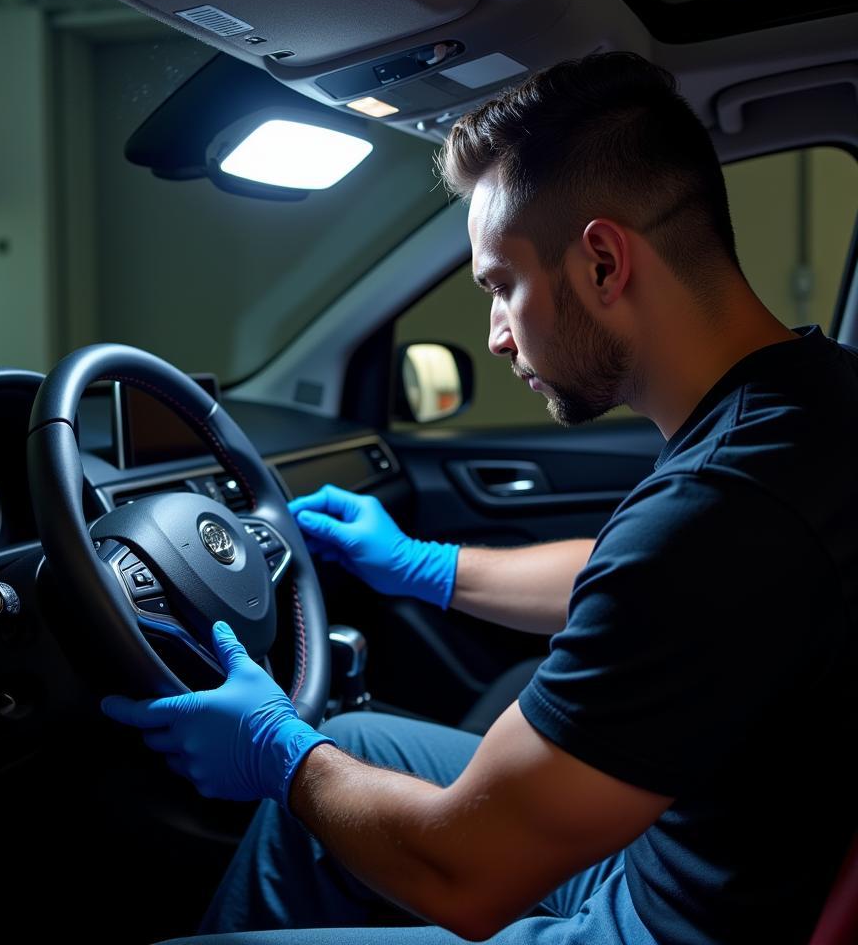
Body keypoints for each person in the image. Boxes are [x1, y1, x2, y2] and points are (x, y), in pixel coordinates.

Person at [102, 52, 858, 944]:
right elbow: (656, 596)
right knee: (362, 744)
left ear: (604, 263)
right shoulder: (814, 400)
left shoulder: (717, 507)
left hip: (666, 923)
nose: (497, 336)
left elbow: (467, 874)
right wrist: (426, 567)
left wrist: (278, 754)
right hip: (704, 849)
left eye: (501, 285)